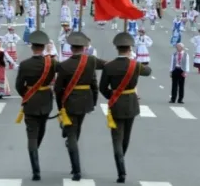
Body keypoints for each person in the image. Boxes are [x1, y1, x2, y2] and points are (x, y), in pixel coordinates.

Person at [98, 32, 152, 183]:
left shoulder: (109, 66)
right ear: (129, 49)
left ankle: (120, 170)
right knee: (126, 137)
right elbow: (148, 72)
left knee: (117, 138)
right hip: (131, 103)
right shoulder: (135, 65)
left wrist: (113, 95)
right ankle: (121, 159)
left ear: (117, 48)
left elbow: (102, 87)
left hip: (116, 103)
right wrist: (134, 61)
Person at [54, 32, 107, 181]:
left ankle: (76, 170)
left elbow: (58, 89)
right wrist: (94, 101)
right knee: (76, 130)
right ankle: (74, 163)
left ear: (71, 49)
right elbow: (105, 67)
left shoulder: (64, 65)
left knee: (72, 134)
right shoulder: (91, 61)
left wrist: (60, 108)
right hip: (85, 101)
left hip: (69, 102)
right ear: (84, 48)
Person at [14, 31, 58, 181]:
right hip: (46, 101)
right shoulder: (51, 63)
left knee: (31, 135)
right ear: (44, 47)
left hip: (31, 102)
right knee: (41, 131)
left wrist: (26, 95)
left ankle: (35, 169)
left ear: (32, 47)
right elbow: (66, 70)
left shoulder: (25, 64)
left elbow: (19, 85)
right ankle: (35, 154)